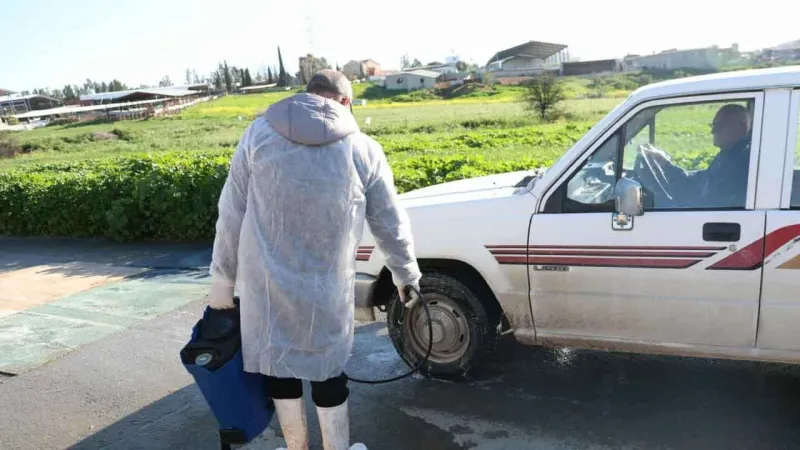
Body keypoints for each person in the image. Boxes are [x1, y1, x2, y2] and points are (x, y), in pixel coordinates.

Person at [206, 70, 422, 450]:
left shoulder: (257, 135)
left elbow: (232, 211)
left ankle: (297, 447)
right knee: (327, 369)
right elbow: (390, 221)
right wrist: (405, 275)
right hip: (328, 286)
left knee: (280, 367)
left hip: (266, 285)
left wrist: (222, 281)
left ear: (307, 95)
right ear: (345, 102)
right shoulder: (362, 148)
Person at [640, 103, 752, 208]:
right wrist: (666, 164)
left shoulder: (739, 162)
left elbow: (705, 196)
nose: (713, 131)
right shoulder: (730, 153)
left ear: (741, 127)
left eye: (719, 126)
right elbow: (702, 179)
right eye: (713, 125)